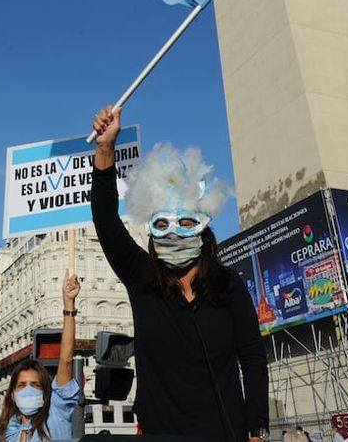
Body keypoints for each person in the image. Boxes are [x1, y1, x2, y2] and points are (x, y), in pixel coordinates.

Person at [90, 106, 268, 441]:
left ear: (203, 230)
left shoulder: (229, 286)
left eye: (186, 223)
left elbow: (254, 360)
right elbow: (106, 221)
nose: (175, 233)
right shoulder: (142, 280)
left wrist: (257, 430)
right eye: (163, 225)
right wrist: (105, 149)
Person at [0, 271, 81, 441]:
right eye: (22, 385)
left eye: (35, 384)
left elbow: (65, 361)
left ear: (45, 391)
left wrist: (69, 306)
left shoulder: (56, 413)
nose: (28, 389)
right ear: (12, 394)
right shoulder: (5, 435)